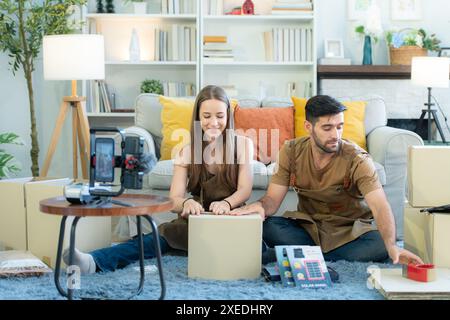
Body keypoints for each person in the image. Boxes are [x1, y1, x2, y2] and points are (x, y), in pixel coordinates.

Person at [64, 85, 254, 273]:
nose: (213, 122)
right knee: (153, 239)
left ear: (228, 116)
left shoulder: (244, 145)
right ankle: (93, 261)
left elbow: (245, 189)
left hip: (232, 220)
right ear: (198, 117)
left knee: (258, 247)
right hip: (198, 221)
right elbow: (174, 199)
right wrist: (186, 203)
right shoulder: (187, 151)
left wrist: (227, 204)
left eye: (220, 116)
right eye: (206, 116)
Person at [231, 95, 423, 265]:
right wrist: (260, 207)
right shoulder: (291, 151)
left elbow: (380, 206)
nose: (335, 135)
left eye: (340, 127)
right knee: (268, 226)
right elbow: (272, 200)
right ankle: (319, 255)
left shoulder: (358, 159)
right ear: (308, 127)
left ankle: (298, 254)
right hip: (308, 228)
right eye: (327, 128)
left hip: (349, 233)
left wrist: (391, 246)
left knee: (381, 243)